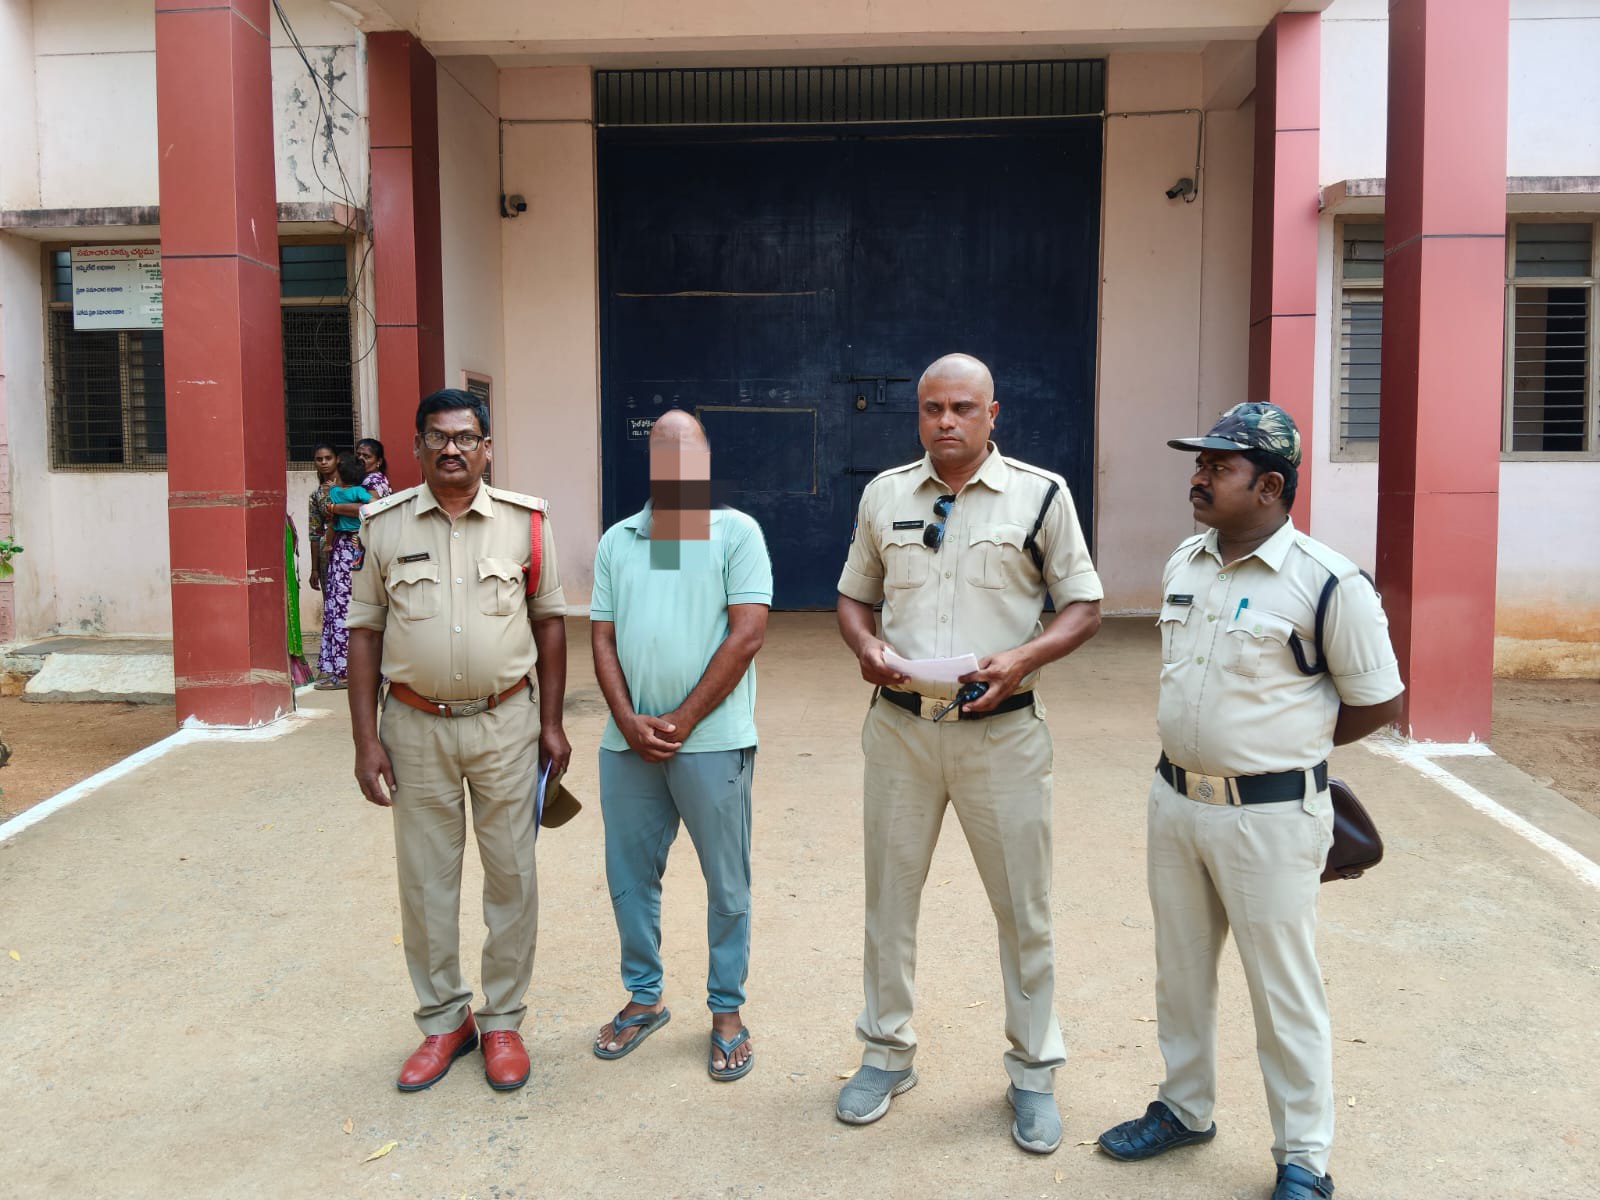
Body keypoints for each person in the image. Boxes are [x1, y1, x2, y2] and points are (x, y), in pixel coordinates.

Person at [1095, 402, 1404, 1200]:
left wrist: (1284, 750)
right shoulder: (1186, 562)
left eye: (1217, 467)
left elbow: (1377, 700)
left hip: (1269, 818)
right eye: (1199, 464)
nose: (1198, 478)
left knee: (1282, 991)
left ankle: (1303, 1159)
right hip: (1176, 802)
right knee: (1180, 974)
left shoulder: (1328, 582)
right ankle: (1184, 1109)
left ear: (1269, 486)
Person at [834, 353, 1102, 1154]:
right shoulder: (885, 495)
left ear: (992, 414)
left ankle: (1033, 1073)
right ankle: (886, 1055)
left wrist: (1022, 658)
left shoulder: (1041, 494)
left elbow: (1083, 606)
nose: (945, 420)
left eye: (961, 407)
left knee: (1024, 911)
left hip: (1004, 736)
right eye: (932, 408)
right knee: (889, 905)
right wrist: (864, 646)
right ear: (917, 414)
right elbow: (853, 596)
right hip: (902, 732)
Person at [345, 387, 571, 1093]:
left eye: (466, 437)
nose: (452, 449)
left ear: (487, 448)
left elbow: (550, 625)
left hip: (507, 725)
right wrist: (364, 739)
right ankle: (445, 1021)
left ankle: (502, 1019)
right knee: (425, 882)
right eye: (438, 437)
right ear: (417, 446)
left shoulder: (527, 524)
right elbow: (364, 633)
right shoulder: (382, 526)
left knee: (512, 875)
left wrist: (552, 723)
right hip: (413, 728)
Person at [589, 410, 772, 1082]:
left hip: (712, 742)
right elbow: (602, 637)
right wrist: (628, 720)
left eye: (687, 454)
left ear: (706, 460)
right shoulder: (618, 541)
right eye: (663, 453)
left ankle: (726, 1011)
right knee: (630, 878)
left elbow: (747, 634)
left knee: (726, 882)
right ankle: (644, 998)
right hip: (627, 745)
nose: (676, 468)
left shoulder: (736, 534)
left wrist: (683, 720)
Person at [307, 442, 338, 597]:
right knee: (331, 599)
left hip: (352, 547)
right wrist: (314, 569)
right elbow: (315, 533)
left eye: (328, 458)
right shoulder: (316, 495)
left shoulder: (351, 486)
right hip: (326, 553)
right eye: (319, 459)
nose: (324, 462)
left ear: (337, 459)